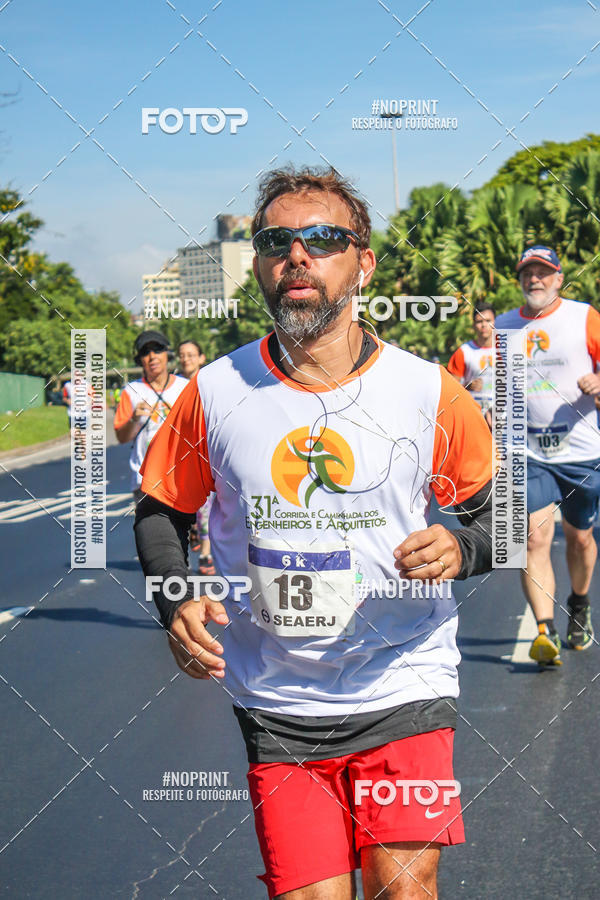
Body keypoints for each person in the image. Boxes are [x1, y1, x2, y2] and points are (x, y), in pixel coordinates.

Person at [135, 166, 494, 898]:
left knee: (405, 885)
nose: (298, 254)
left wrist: (464, 546)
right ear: (261, 267)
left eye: (323, 238)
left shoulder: (428, 391)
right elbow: (161, 511)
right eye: (277, 240)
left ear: (362, 262)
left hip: (404, 680)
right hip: (279, 700)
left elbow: (500, 517)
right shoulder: (216, 393)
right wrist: (173, 602)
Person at [495, 246, 600, 665]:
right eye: (527, 273)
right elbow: (502, 394)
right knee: (532, 536)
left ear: (558, 278)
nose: (534, 280)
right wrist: (498, 449)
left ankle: (578, 603)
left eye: (543, 273)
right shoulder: (505, 326)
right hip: (528, 450)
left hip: (582, 450)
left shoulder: (584, 317)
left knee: (579, 539)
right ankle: (545, 631)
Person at [113, 331, 187, 504]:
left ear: (167, 354)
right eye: (145, 352)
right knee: (151, 531)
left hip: (183, 478)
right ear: (140, 361)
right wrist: (133, 419)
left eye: (157, 349)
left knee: (189, 531)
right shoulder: (131, 391)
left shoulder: (186, 388)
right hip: (146, 482)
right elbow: (122, 437)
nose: (152, 356)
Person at [176, 339, 215, 575]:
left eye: (191, 354)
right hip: (182, 458)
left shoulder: (210, 383)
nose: (186, 359)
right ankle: (193, 529)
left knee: (207, 509)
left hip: (206, 455)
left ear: (201, 357)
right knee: (190, 508)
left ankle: (205, 554)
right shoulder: (174, 386)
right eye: (182, 355)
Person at [447, 302, 495, 428]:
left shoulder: (507, 349)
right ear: (473, 325)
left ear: (495, 322)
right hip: (473, 418)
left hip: (503, 418)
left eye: (488, 320)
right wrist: (467, 386)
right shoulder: (464, 351)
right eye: (479, 322)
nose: (484, 325)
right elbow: (450, 390)